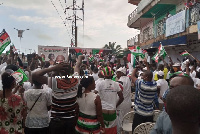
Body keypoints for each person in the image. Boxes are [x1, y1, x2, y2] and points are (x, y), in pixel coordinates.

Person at [32, 55, 84, 134]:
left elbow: (34, 76)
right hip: (71, 121)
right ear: (70, 71)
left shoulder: (55, 82)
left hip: (57, 121)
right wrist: (80, 58)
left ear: (59, 71)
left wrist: (53, 68)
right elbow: (77, 66)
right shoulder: (76, 80)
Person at [94, 66, 124, 134]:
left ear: (103, 74)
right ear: (112, 75)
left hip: (102, 111)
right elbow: (122, 98)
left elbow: (94, 95)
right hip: (112, 111)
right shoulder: (116, 84)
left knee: (103, 130)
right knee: (112, 130)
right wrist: (115, 105)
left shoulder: (100, 84)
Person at [131, 59, 158, 132]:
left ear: (146, 78)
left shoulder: (141, 84)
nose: (142, 77)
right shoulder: (154, 85)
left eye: (143, 76)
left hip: (140, 113)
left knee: (137, 131)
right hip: (149, 113)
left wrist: (136, 67)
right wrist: (146, 65)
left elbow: (132, 76)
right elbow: (150, 75)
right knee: (147, 131)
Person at [116, 67, 132, 134]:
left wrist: (116, 104)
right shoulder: (128, 79)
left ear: (121, 73)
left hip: (121, 104)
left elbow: (118, 94)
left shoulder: (120, 81)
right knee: (126, 121)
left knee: (119, 122)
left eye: (117, 73)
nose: (116, 74)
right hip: (128, 103)